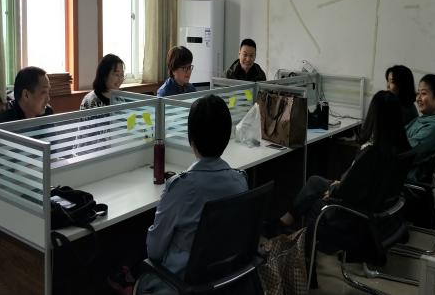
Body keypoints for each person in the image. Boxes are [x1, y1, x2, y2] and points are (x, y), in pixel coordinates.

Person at [275, 91, 411, 253]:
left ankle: (303, 250)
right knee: (315, 181)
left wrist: (334, 190)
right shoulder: (401, 149)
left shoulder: (372, 153)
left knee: (316, 202)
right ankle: (284, 223)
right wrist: (339, 186)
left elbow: (348, 189)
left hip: (355, 214)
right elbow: (363, 183)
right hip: (375, 207)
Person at [137, 95, 248, 294]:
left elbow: (154, 252)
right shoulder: (240, 181)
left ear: (191, 138)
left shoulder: (181, 187)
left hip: (181, 284)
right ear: (227, 136)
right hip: (224, 279)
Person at [406, 74, 435, 183]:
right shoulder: (423, 119)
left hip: (404, 178)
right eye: (418, 93)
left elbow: (404, 154)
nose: (418, 98)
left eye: (423, 93)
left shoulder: (433, 129)